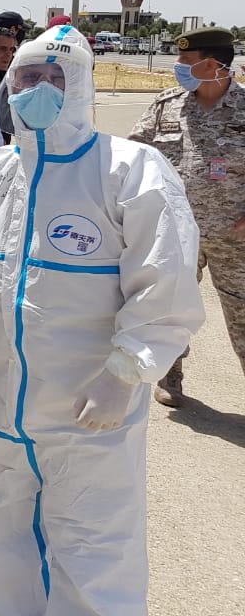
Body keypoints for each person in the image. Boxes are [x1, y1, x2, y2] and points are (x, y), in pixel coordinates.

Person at [0, 26, 203, 615]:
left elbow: (164, 286)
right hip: (4, 405)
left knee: (93, 549)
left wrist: (125, 373)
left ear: (82, 86)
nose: (38, 89)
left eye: (55, 78)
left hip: (88, 410)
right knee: (3, 534)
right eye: (27, 78)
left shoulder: (131, 170)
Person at [128, 25, 245, 406]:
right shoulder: (167, 104)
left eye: (185, 60)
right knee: (171, 308)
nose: (177, 67)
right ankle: (170, 378)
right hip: (176, 235)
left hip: (234, 238)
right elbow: (133, 156)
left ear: (212, 65)